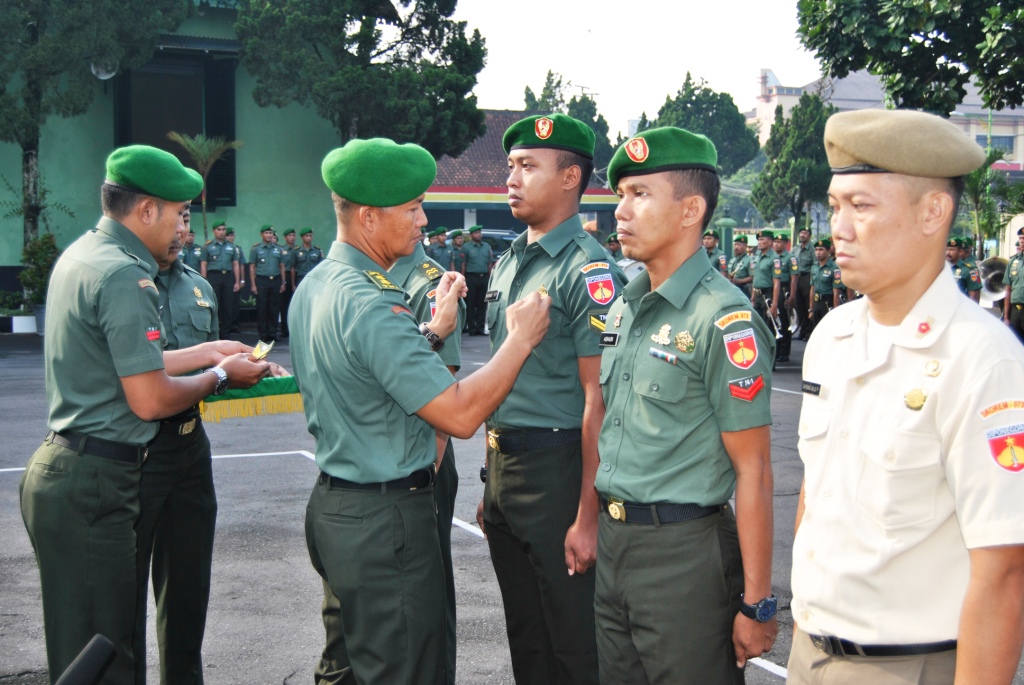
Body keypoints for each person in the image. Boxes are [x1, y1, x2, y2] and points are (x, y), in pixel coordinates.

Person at [290, 137, 550, 685]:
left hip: (337, 509)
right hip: (384, 524)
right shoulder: (373, 301)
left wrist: (432, 332)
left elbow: (368, 373)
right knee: (407, 668)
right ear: (368, 217)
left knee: (344, 667)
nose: (422, 220)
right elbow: (458, 415)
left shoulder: (318, 285)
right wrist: (520, 341)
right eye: (410, 209)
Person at [790, 108, 1024, 685]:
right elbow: (815, 495)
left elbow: (1004, 573)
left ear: (932, 212)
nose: (839, 228)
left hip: (908, 666)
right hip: (807, 653)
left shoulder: (981, 358)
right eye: (836, 206)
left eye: (861, 206)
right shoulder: (832, 336)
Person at [20, 145, 270, 685]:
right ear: (147, 209)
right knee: (106, 658)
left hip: (78, 465)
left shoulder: (86, 255)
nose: (184, 227)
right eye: (178, 213)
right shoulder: (123, 275)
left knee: (94, 652)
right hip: (99, 477)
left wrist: (207, 352)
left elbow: (128, 362)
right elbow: (151, 398)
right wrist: (222, 376)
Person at [595, 124, 777, 684]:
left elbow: (755, 469)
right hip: (614, 543)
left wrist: (758, 602)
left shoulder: (723, 318)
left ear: (691, 210)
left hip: (683, 555)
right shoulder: (626, 306)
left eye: (640, 194)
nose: (621, 210)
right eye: (621, 194)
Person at [478, 113, 627, 685]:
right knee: (527, 638)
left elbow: (598, 399)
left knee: (573, 644)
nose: (511, 179)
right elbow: (502, 382)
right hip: (507, 473)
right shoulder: (510, 259)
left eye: (527, 166)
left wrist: (588, 515)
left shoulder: (589, 271)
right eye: (511, 166)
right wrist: (491, 478)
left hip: (559, 474)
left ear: (570, 178)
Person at [389, 243, 466, 685]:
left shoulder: (428, 284)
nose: (418, 219)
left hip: (423, 459)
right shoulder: (368, 276)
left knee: (427, 589)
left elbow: (445, 386)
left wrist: (428, 474)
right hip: (385, 460)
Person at [200, 219, 241, 338]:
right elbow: (204, 265)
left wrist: (237, 281)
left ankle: (226, 333)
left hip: (228, 276)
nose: (222, 232)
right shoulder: (207, 246)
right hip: (214, 276)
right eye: (219, 229)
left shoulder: (232, 246)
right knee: (215, 305)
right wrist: (204, 281)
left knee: (228, 305)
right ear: (214, 231)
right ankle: (215, 332)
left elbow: (235, 264)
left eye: (223, 229)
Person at [249, 224, 287, 342]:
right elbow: (252, 267)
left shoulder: (278, 249)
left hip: (275, 280)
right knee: (262, 308)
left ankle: (273, 333)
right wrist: (253, 284)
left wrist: (283, 282)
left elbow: (282, 266)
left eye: (270, 233)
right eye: (266, 233)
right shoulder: (256, 249)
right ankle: (263, 334)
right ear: (261, 234)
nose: (269, 235)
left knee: (274, 307)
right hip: (262, 280)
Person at [750, 230, 784, 351]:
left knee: (769, 327)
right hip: (757, 295)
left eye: (762, 239)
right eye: (758, 240)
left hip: (768, 295)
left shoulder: (774, 259)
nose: (759, 242)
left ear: (770, 242)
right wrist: (753, 297)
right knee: (757, 327)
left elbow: (777, 283)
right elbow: (755, 278)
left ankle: (772, 356)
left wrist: (774, 305)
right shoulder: (757, 257)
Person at [805, 237, 841, 338]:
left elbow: (836, 292)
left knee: (827, 332)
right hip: (817, 302)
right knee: (816, 332)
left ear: (828, 251)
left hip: (827, 302)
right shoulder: (814, 267)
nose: (818, 252)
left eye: (821, 250)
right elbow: (812, 288)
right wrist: (811, 309)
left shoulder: (834, 268)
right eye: (816, 250)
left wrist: (835, 311)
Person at [773, 234, 799, 362]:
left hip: (784, 289)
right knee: (774, 321)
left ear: (785, 244)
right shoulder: (772, 257)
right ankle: (776, 350)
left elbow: (794, 279)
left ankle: (784, 352)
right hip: (773, 289)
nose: (776, 244)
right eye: (775, 242)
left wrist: (792, 296)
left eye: (779, 242)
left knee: (784, 321)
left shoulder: (790, 258)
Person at [463, 224, 492, 335]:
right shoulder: (466, 247)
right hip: (471, 277)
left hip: (484, 276)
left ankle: (480, 327)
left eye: (480, 232)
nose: (479, 234)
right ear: (471, 235)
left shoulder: (486, 246)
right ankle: (472, 328)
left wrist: (491, 278)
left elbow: (489, 263)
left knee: (482, 303)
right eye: (476, 233)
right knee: (470, 303)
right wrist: (463, 279)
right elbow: (464, 263)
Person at [793, 227, 814, 340]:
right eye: (801, 233)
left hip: (807, 277)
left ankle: (808, 332)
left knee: (808, 306)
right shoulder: (795, 249)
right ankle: (802, 330)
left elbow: (815, 265)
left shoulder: (812, 249)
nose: (802, 235)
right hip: (796, 278)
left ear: (809, 236)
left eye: (805, 233)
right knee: (799, 306)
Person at [1003, 227, 1024, 344]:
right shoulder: (1013, 261)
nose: (1022, 241)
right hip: (1015, 312)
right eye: (1020, 238)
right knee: (1016, 345)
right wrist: (1006, 316)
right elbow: (1008, 289)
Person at [279, 228, 299, 338]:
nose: (292, 237)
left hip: (297, 276)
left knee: (296, 303)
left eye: (293, 235)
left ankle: (295, 328)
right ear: (285, 237)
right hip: (285, 275)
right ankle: (285, 329)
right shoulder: (281, 249)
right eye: (289, 235)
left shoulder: (298, 249)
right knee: (284, 304)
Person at [225, 227, 245, 334]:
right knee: (225, 302)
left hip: (235, 277)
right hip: (226, 276)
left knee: (235, 301)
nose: (230, 237)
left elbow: (241, 265)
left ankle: (235, 324)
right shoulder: (223, 247)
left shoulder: (237, 249)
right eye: (228, 235)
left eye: (232, 235)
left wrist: (242, 280)